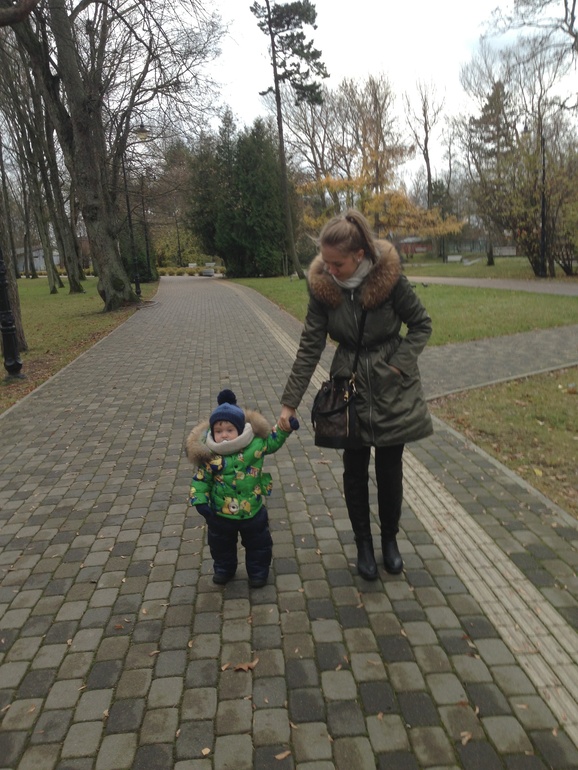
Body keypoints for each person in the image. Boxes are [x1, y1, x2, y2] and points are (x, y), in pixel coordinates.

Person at [278, 209, 433, 580]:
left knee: (390, 469)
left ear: (360, 255)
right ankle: (363, 543)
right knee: (354, 470)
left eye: (338, 264)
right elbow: (310, 344)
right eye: (326, 262)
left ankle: (389, 540)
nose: (330, 270)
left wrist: (398, 365)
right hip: (348, 385)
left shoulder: (390, 280)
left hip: (391, 385)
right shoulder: (323, 286)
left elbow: (421, 324)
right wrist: (289, 403)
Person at [187, 388, 298, 588]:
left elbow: (273, 440)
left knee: (259, 544)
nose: (224, 435)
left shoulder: (254, 445)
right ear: (212, 432)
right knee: (221, 546)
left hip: (252, 510)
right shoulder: (210, 455)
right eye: (218, 431)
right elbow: (201, 480)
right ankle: (224, 569)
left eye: (229, 430)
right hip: (221, 514)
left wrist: (285, 428)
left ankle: (258, 571)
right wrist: (200, 501)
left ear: (239, 429)